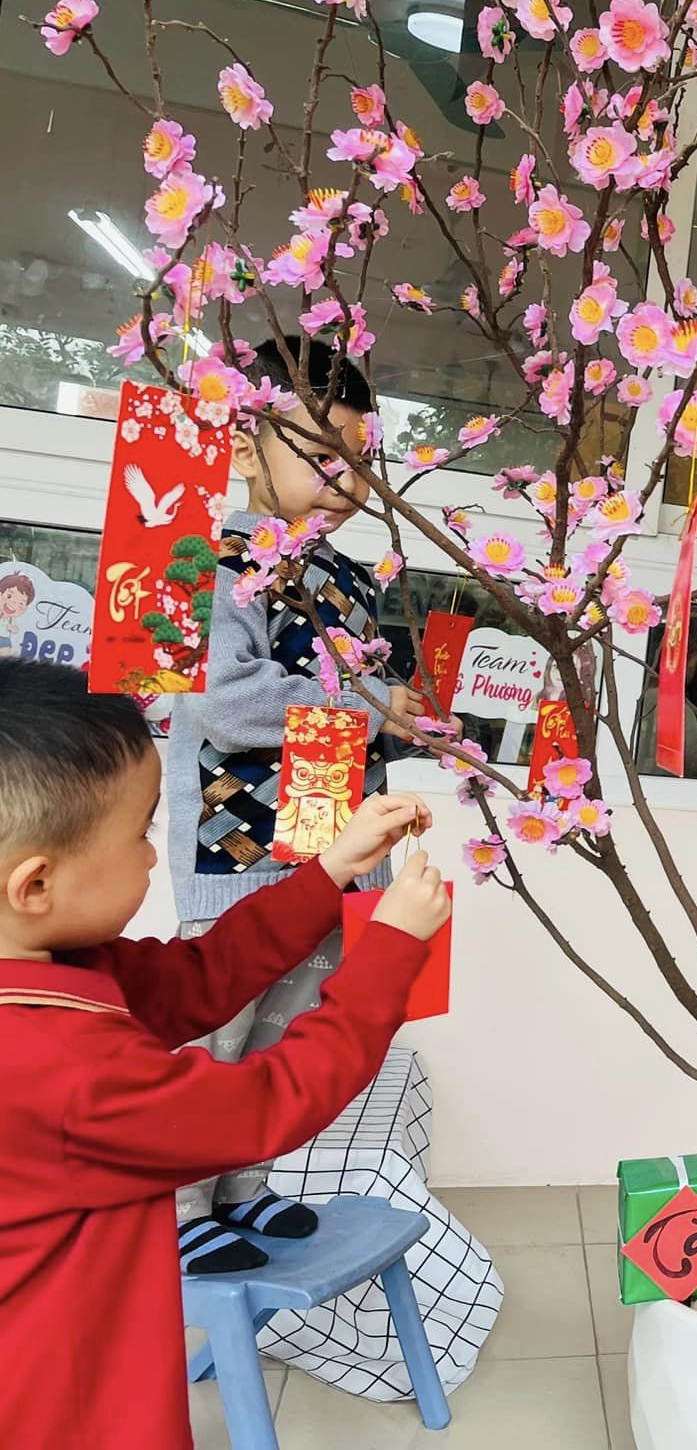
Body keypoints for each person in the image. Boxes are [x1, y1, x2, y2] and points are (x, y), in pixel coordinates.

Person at [0, 658, 448, 1450]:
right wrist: (387, 955)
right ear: (35, 885)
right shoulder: (64, 1071)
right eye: (139, 834)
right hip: (68, 1404)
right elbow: (267, 1106)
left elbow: (199, 978)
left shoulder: (59, 968)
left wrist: (331, 872)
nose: (153, 856)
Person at [165, 336, 426, 1274]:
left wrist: (400, 722)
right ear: (245, 443)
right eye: (320, 455)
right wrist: (371, 706)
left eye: (358, 460)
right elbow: (222, 702)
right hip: (232, 845)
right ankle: (180, 1203)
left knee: (284, 1029)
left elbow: (357, 712)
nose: (344, 481)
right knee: (217, 1032)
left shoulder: (350, 580)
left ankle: (242, 1186)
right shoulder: (211, 562)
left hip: (329, 852)